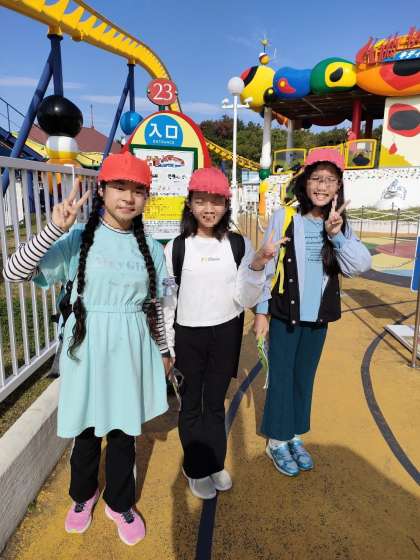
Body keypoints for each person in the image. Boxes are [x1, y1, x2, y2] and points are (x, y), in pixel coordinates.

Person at [3, 151, 171, 546]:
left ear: (146, 198)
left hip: (131, 350)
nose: (128, 197)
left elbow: (155, 307)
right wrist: (52, 228)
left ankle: (120, 502)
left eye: (138, 190)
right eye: (119, 187)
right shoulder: (78, 239)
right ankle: (83, 496)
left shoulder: (151, 247)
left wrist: (164, 351)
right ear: (102, 191)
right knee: (85, 429)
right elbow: (13, 272)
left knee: (124, 432)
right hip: (86, 348)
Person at [163, 167, 280, 500]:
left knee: (215, 403)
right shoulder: (175, 248)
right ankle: (195, 468)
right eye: (201, 201)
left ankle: (214, 463)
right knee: (191, 406)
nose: (208, 208)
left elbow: (245, 297)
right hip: (188, 335)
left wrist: (257, 265)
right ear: (190, 204)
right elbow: (168, 302)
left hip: (226, 333)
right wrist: (167, 348)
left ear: (227, 205)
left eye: (216, 201)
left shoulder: (239, 244)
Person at [253, 148, 371, 477]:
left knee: (304, 377)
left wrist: (337, 236)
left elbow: (360, 266)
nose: (322, 186)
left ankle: (294, 434)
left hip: (318, 320)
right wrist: (261, 312)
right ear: (305, 182)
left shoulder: (339, 224)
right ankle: (276, 440)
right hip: (284, 316)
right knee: (281, 377)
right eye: (316, 178)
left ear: (338, 187)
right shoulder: (284, 217)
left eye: (330, 180)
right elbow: (268, 267)